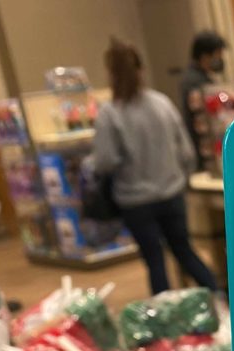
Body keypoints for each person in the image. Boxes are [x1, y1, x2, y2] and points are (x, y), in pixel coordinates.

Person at [93, 38, 218, 296]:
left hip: (135, 200)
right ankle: (219, 297)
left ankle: (164, 314)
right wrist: (180, 179)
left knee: (155, 261)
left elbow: (105, 161)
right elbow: (186, 152)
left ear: (110, 74)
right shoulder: (162, 103)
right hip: (171, 193)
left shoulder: (110, 113)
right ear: (142, 70)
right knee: (185, 251)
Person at [178, 31, 227, 161]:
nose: (220, 59)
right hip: (203, 152)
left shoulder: (198, 78)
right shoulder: (196, 82)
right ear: (205, 56)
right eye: (218, 54)